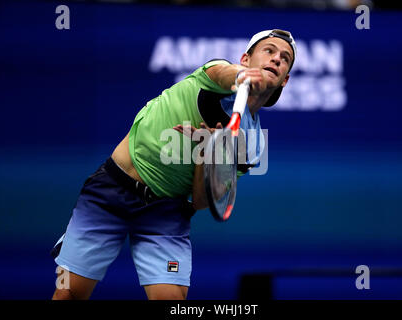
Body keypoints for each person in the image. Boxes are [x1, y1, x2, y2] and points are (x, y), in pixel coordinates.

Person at [51, 29, 297, 300]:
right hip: (112, 189)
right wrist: (241, 77)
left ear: (285, 80)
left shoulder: (252, 145)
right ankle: (73, 256)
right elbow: (224, 74)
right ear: (245, 59)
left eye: (284, 58)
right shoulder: (215, 72)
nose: (276, 59)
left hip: (166, 212)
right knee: (68, 294)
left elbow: (204, 201)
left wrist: (209, 151)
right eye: (269, 51)